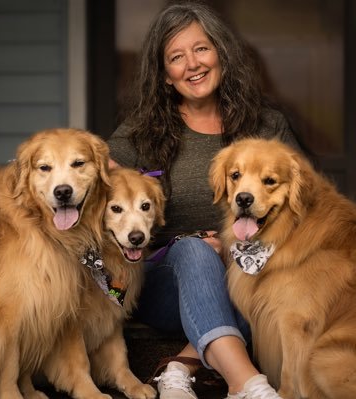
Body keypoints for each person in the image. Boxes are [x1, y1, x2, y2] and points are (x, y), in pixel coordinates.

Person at [107, 1, 299, 398]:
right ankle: (247, 384)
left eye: (201, 49)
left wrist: (232, 248)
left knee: (251, 274)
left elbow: (301, 207)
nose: (192, 64)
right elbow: (100, 203)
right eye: (176, 57)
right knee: (195, 252)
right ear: (164, 76)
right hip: (162, 282)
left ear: (221, 55)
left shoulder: (267, 126)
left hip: (251, 273)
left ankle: (180, 366)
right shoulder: (138, 137)